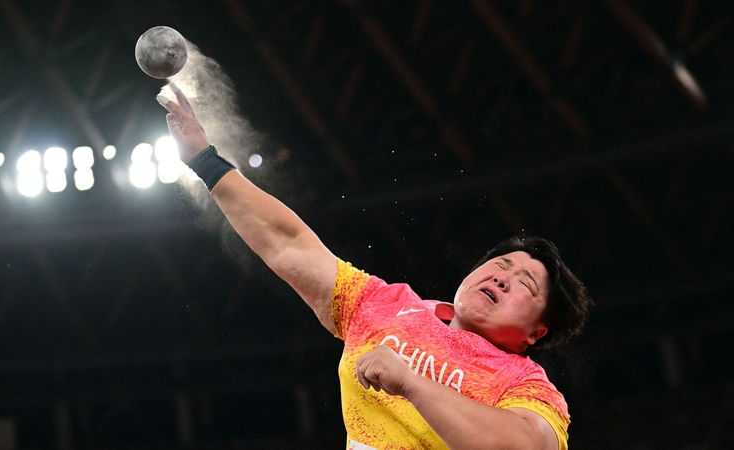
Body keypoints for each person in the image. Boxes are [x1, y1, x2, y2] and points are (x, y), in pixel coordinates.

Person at [157, 83, 592, 450]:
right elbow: (290, 244)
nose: (502, 275)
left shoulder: (527, 387)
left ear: (538, 332)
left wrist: (413, 383)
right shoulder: (384, 307)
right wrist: (205, 161)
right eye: (500, 263)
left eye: (525, 284)